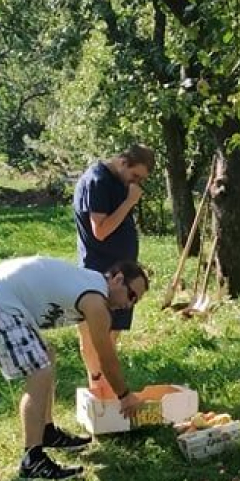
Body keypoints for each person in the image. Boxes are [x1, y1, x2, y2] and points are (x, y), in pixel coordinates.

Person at [0, 257, 148, 480]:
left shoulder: (91, 287)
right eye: (131, 296)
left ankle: (46, 431)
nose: (129, 305)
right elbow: (105, 356)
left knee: (46, 356)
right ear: (117, 279)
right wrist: (125, 396)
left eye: (135, 302)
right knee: (40, 370)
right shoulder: (95, 299)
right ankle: (32, 460)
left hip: (0, 297)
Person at [72, 145, 154, 398]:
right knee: (95, 332)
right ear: (122, 162)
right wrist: (130, 202)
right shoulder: (98, 181)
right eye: (136, 175)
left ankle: (106, 387)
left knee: (112, 332)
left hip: (120, 273)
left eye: (141, 179)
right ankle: (97, 384)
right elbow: (101, 230)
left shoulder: (117, 181)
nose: (137, 182)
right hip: (102, 271)